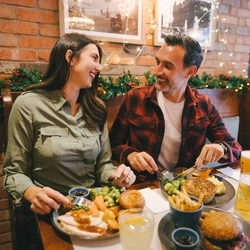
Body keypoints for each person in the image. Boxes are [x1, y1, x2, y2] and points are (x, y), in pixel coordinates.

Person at [3, 33, 136, 215]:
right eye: (94, 58)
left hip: (95, 208)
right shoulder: (29, 105)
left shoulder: (96, 109)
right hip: (51, 210)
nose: (99, 67)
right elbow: (13, 172)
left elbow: (103, 165)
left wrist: (116, 176)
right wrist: (34, 193)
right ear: (70, 57)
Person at [109, 33, 242, 183]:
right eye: (158, 62)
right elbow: (112, 145)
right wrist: (130, 155)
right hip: (144, 185)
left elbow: (235, 148)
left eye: (167, 66)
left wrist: (221, 148)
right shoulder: (136, 98)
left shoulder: (204, 105)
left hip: (185, 188)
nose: (157, 71)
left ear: (190, 71)